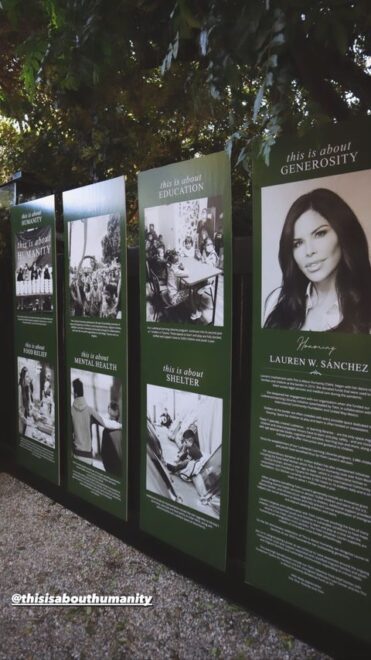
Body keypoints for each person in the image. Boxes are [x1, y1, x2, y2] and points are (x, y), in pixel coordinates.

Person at [264, 188, 371, 333]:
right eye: (298, 243)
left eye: (320, 234)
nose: (309, 251)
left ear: (344, 233)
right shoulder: (277, 301)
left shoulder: (365, 305)